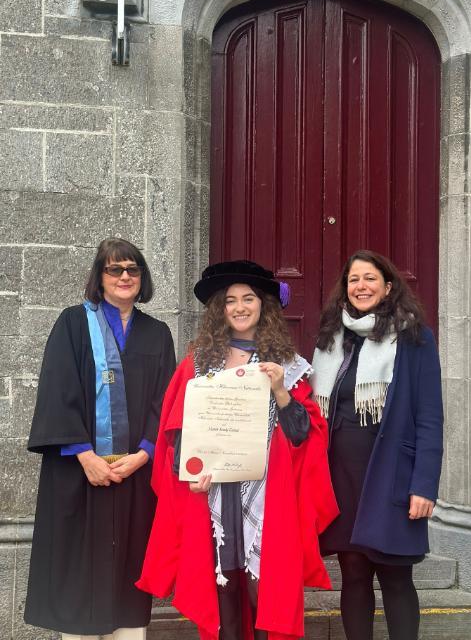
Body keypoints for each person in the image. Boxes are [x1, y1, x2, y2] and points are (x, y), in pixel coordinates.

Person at [136, 260, 338, 640]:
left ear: (263, 305)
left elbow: (302, 434)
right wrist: (189, 475)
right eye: (231, 300)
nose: (240, 307)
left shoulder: (285, 365)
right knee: (224, 587)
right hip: (215, 493)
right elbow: (178, 431)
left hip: (268, 497)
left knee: (265, 591)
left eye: (248, 298)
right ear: (220, 309)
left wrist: (280, 390)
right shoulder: (198, 363)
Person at [24, 237, 177, 640]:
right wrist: (85, 456)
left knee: (129, 566)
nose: (124, 276)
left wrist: (144, 454)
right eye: (115, 269)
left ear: (141, 278)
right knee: (79, 571)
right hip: (79, 474)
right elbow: (58, 392)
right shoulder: (73, 324)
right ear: (100, 276)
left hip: (134, 476)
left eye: (132, 269)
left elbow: (167, 402)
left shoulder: (157, 334)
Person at [313, 250, 443, 640]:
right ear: (345, 288)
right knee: (353, 574)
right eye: (354, 279)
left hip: (392, 476)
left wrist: (424, 484)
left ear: (388, 287)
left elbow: (430, 416)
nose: (361, 286)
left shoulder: (414, 337)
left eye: (370, 278)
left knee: (395, 574)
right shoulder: (332, 338)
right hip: (343, 477)